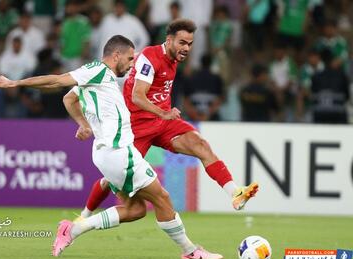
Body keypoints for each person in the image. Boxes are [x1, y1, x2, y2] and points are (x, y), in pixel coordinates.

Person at [0, 35, 223, 259]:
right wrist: (16, 82)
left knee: (135, 210)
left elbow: (68, 99)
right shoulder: (96, 71)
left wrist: (83, 124)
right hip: (118, 153)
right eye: (130, 58)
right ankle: (190, 250)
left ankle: (73, 230)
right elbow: (57, 81)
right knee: (162, 198)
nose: (133, 63)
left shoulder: (101, 78)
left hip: (108, 154)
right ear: (117, 55)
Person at [81, 19, 259, 219]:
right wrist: (163, 112)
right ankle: (83, 217)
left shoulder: (172, 60)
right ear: (169, 40)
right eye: (182, 42)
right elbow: (137, 96)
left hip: (163, 124)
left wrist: (163, 116)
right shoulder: (150, 57)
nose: (186, 48)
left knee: (200, 145)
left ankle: (235, 193)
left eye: (190, 44)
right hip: (136, 127)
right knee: (111, 179)